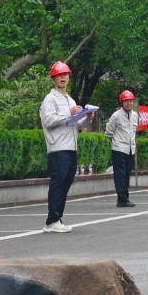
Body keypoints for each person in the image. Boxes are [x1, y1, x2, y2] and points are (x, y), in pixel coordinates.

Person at [39, 61, 90, 233]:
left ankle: (57, 218)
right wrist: (70, 112)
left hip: (71, 147)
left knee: (65, 184)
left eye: (65, 75)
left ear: (69, 77)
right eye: (59, 75)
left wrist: (87, 118)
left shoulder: (70, 99)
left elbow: (74, 124)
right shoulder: (50, 99)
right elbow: (48, 121)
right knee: (58, 184)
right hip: (57, 148)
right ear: (54, 78)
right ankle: (51, 221)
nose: (63, 77)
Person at [105, 90, 139, 208]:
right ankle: (122, 199)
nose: (129, 103)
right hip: (119, 149)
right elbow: (108, 132)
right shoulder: (116, 115)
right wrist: (117, 142)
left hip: (131, 149)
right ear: (122, 103)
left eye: (130, 101)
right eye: (126, 101)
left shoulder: (135, 115)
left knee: (127, 174)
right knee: (120, 175)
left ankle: (125, 197)